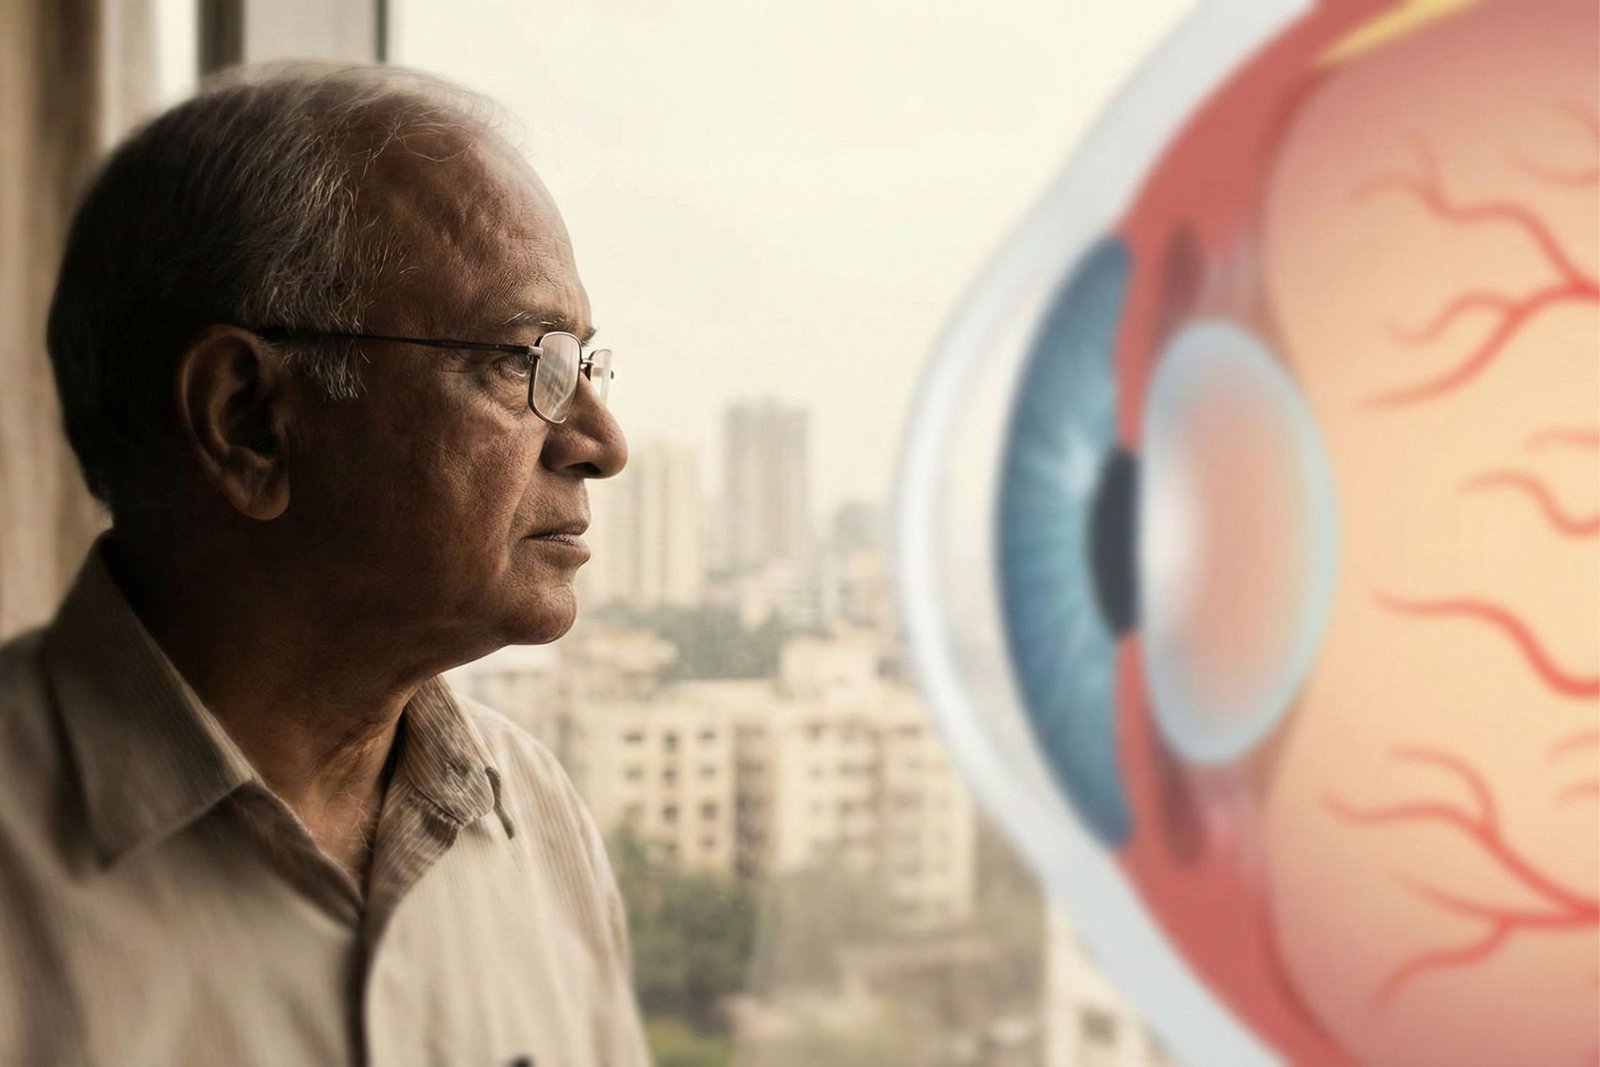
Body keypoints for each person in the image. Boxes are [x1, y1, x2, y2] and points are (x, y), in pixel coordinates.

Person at [0, 63, 651, 1067]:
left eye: (582, 364)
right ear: (248, 420)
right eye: (526, 362)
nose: (601, 443)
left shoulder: (533, 816)